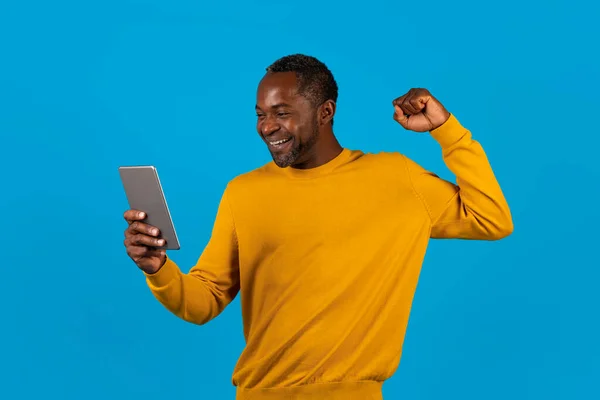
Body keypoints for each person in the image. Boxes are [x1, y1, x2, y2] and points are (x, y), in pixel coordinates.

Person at [123, 54, 513, 400]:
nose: (267, 127)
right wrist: (158, 269)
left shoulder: (396, 179)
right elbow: (203, 301)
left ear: (325, 112)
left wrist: (447, 130)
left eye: (282, 112)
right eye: (261, 114)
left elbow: (491, 218)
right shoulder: (244, 192)